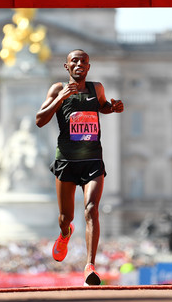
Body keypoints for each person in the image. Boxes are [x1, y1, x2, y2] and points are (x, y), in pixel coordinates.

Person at [36, 49, 124, 286]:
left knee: (91, 209)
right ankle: (65, 233)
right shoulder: (57, 89)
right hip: (67, 161)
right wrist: (60, 98)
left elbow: (102, 106)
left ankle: (89, 266)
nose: (79, 64)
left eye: (83, 61)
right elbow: (40, 120)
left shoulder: (97, 88)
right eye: (74, 61)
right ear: (67, 67)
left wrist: (113, 107)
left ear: (88, 66)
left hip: (93, 160)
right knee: (66, 217)